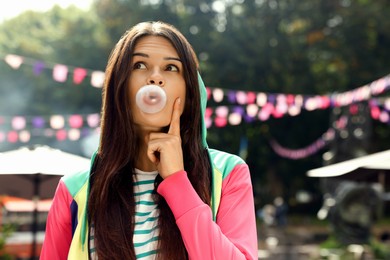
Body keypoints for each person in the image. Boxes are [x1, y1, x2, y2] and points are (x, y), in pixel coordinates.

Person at [40, 21, 258, 260]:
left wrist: (177, 182)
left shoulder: (227, 173)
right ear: (119, 88)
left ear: (190, 93)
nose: (155, 78)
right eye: (140, 65)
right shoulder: (74, 190)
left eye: (171, 68)